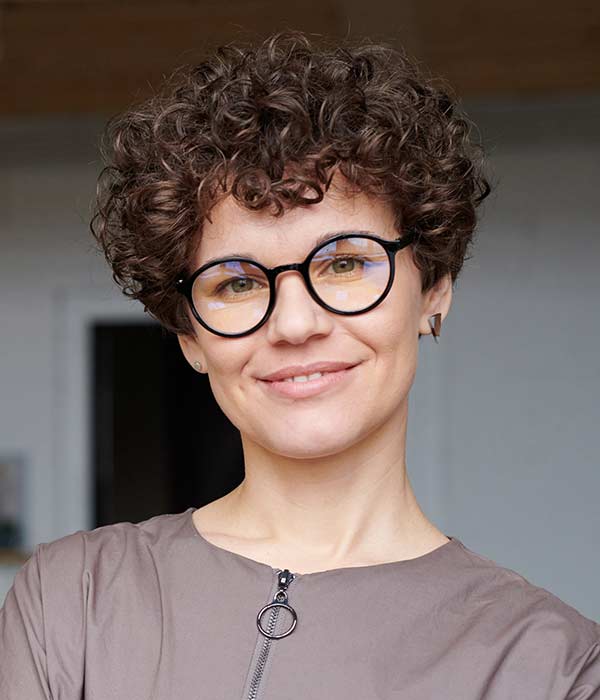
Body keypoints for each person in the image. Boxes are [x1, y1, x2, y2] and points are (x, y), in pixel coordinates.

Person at [1, 30, 599, 700]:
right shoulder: (73, 600)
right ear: (190, 336)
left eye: (344, 264)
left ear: (434, 289)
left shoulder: (554, 667)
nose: (294, 324)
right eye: (237, 282)